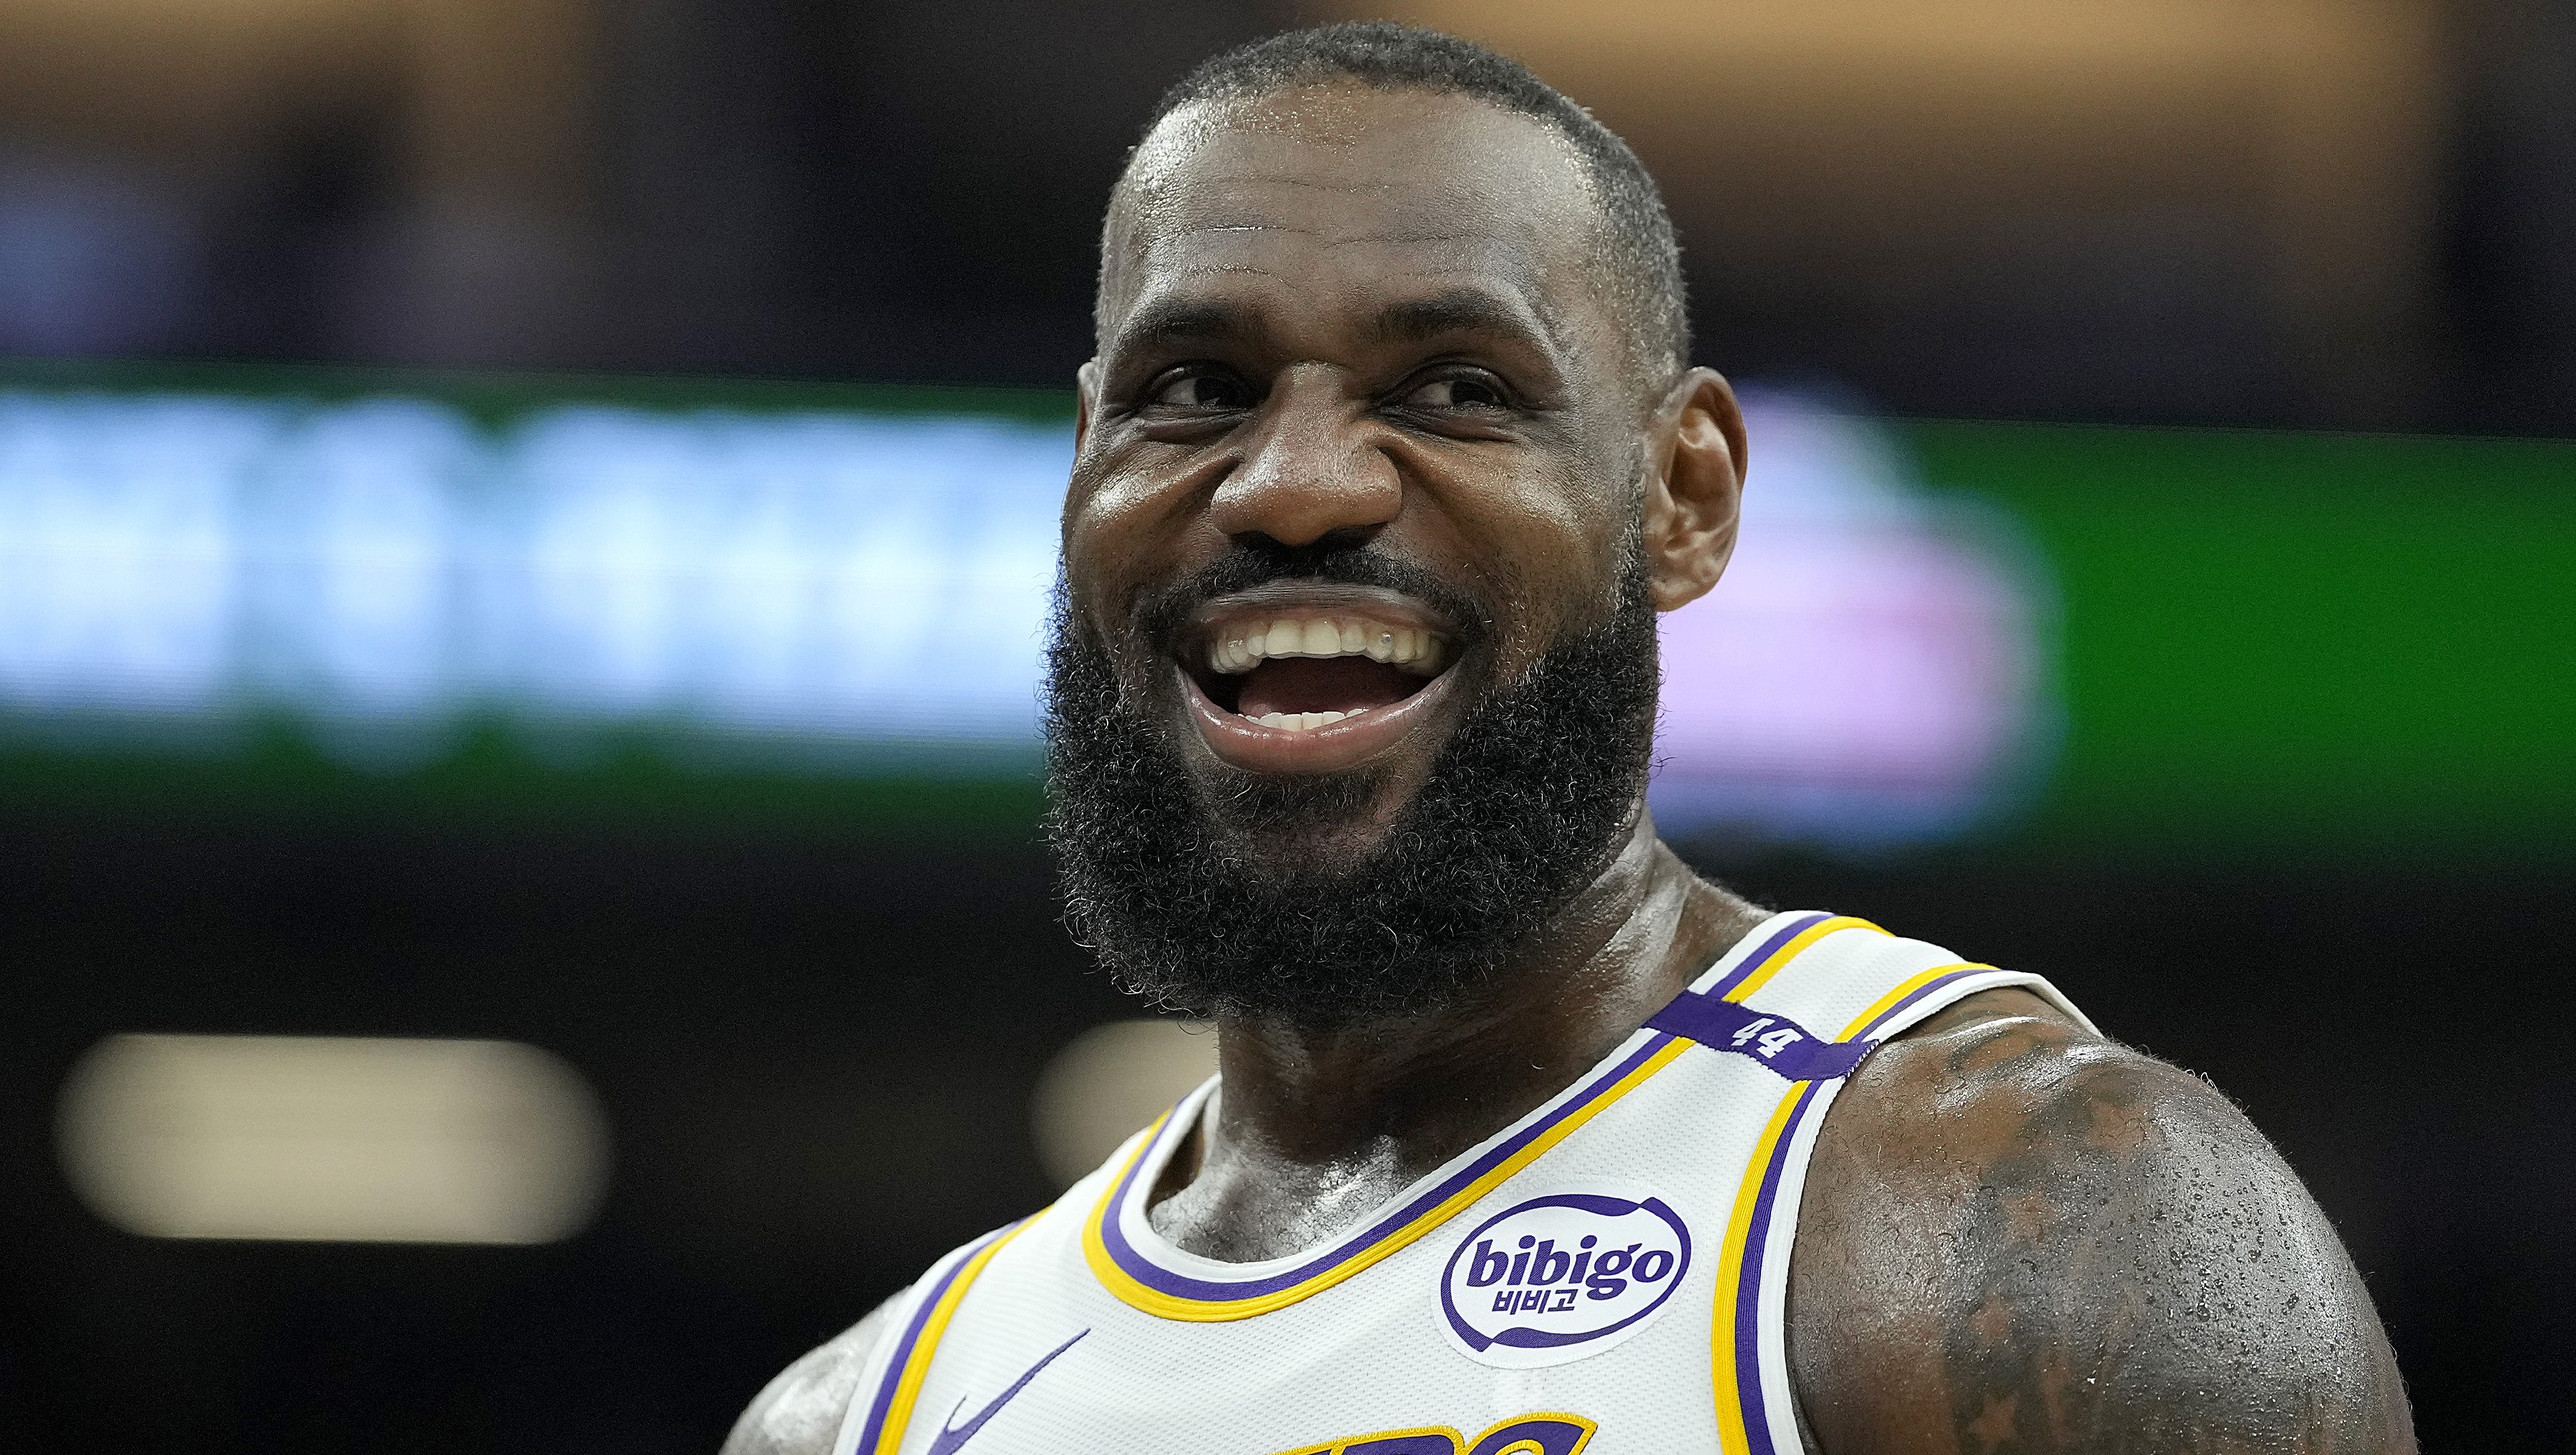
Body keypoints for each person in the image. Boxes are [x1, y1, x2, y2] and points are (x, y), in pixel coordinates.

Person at [727, 22, 2414, 1455]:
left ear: (1682, 496)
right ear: (1086, 465)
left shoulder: (2016, 1225)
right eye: (1198, 388)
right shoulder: (869, 1411)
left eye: (1456, 389)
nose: (1295, 483)